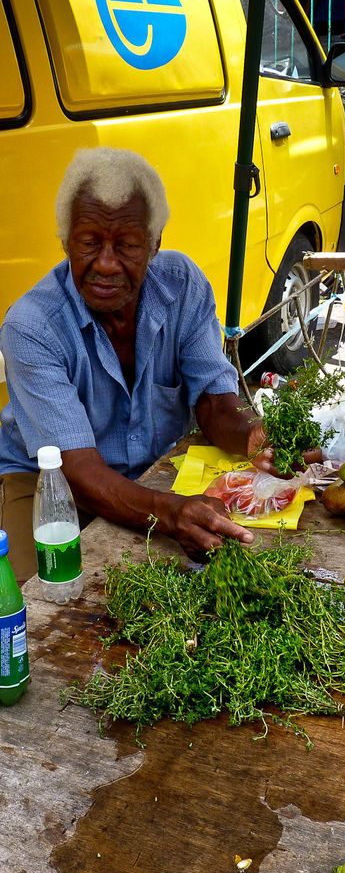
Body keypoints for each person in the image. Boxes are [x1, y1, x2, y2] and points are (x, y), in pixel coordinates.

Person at [0, 147, 320, 583]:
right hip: (48, 482)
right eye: (88, 243)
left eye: (127, 245)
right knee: (33, 606)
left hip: (157, 469)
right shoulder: (32, 326)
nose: (106, 264)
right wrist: (170, 515)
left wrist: (253, 436)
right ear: (65, 241)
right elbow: (75, 470)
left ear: (154, 244)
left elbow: (213, 397)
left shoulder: (182, 284)